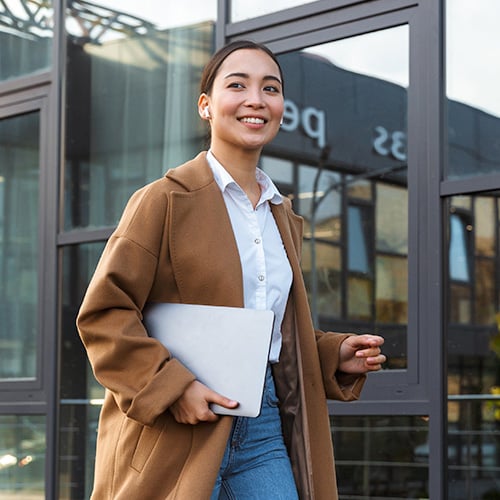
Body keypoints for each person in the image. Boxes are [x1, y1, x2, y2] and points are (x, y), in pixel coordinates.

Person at [76, 39, 386, 500]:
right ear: (206, 105)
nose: (256, 99)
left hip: (261, 427)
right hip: (174, 428)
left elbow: (268, 334)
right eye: (237, 84)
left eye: (270, 88)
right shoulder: (163, 199)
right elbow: (105, 314)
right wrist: (171, 388)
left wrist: (333, 353)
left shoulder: (283, 217)